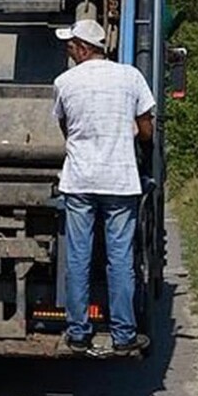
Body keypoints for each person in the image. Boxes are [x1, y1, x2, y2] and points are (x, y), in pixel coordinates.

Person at [51, 18, 155, 356]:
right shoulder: (130, 77)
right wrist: (136, 141)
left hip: (80, 181)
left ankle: (78, 333)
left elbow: (66, 128)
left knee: (78, 258)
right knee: (119, 259)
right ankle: (124, 335)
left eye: (71, 45)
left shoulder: (64, 82)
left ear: (83, 48)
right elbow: (146, 127)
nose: (68, 50)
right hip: (120, 181)